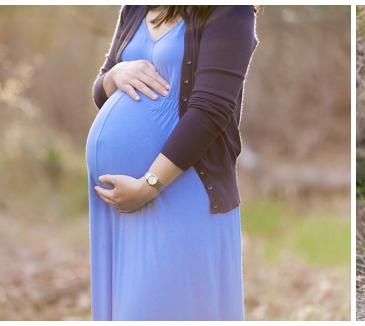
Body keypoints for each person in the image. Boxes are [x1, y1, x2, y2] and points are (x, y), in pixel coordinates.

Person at [85, 5, 257, 321]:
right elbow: (102, 91)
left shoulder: (229, 12)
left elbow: (211, 110)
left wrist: (149, 184)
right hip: (119, 206)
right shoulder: (136, 8)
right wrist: (115, 74)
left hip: (179, 191)